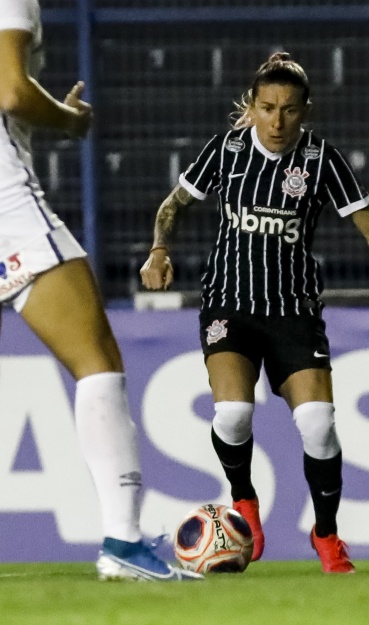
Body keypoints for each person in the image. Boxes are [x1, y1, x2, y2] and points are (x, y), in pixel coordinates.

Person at [140, 52, 369, 574]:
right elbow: (172, 205)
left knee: (318, 424)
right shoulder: (226, 150)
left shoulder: (321, 161)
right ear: (251, 107)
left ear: (304, 111)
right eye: (267, 107)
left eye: (289, 110)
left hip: (293, 311)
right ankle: (244, 499)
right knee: (233, 414)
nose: (276, 121)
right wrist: (159, 249)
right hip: (229, 303)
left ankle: (326, 534)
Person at [0, 0, 200, 581]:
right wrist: (67, 118)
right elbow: (11, 91)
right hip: (8, 208)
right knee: (99, 362)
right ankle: (123, 541)